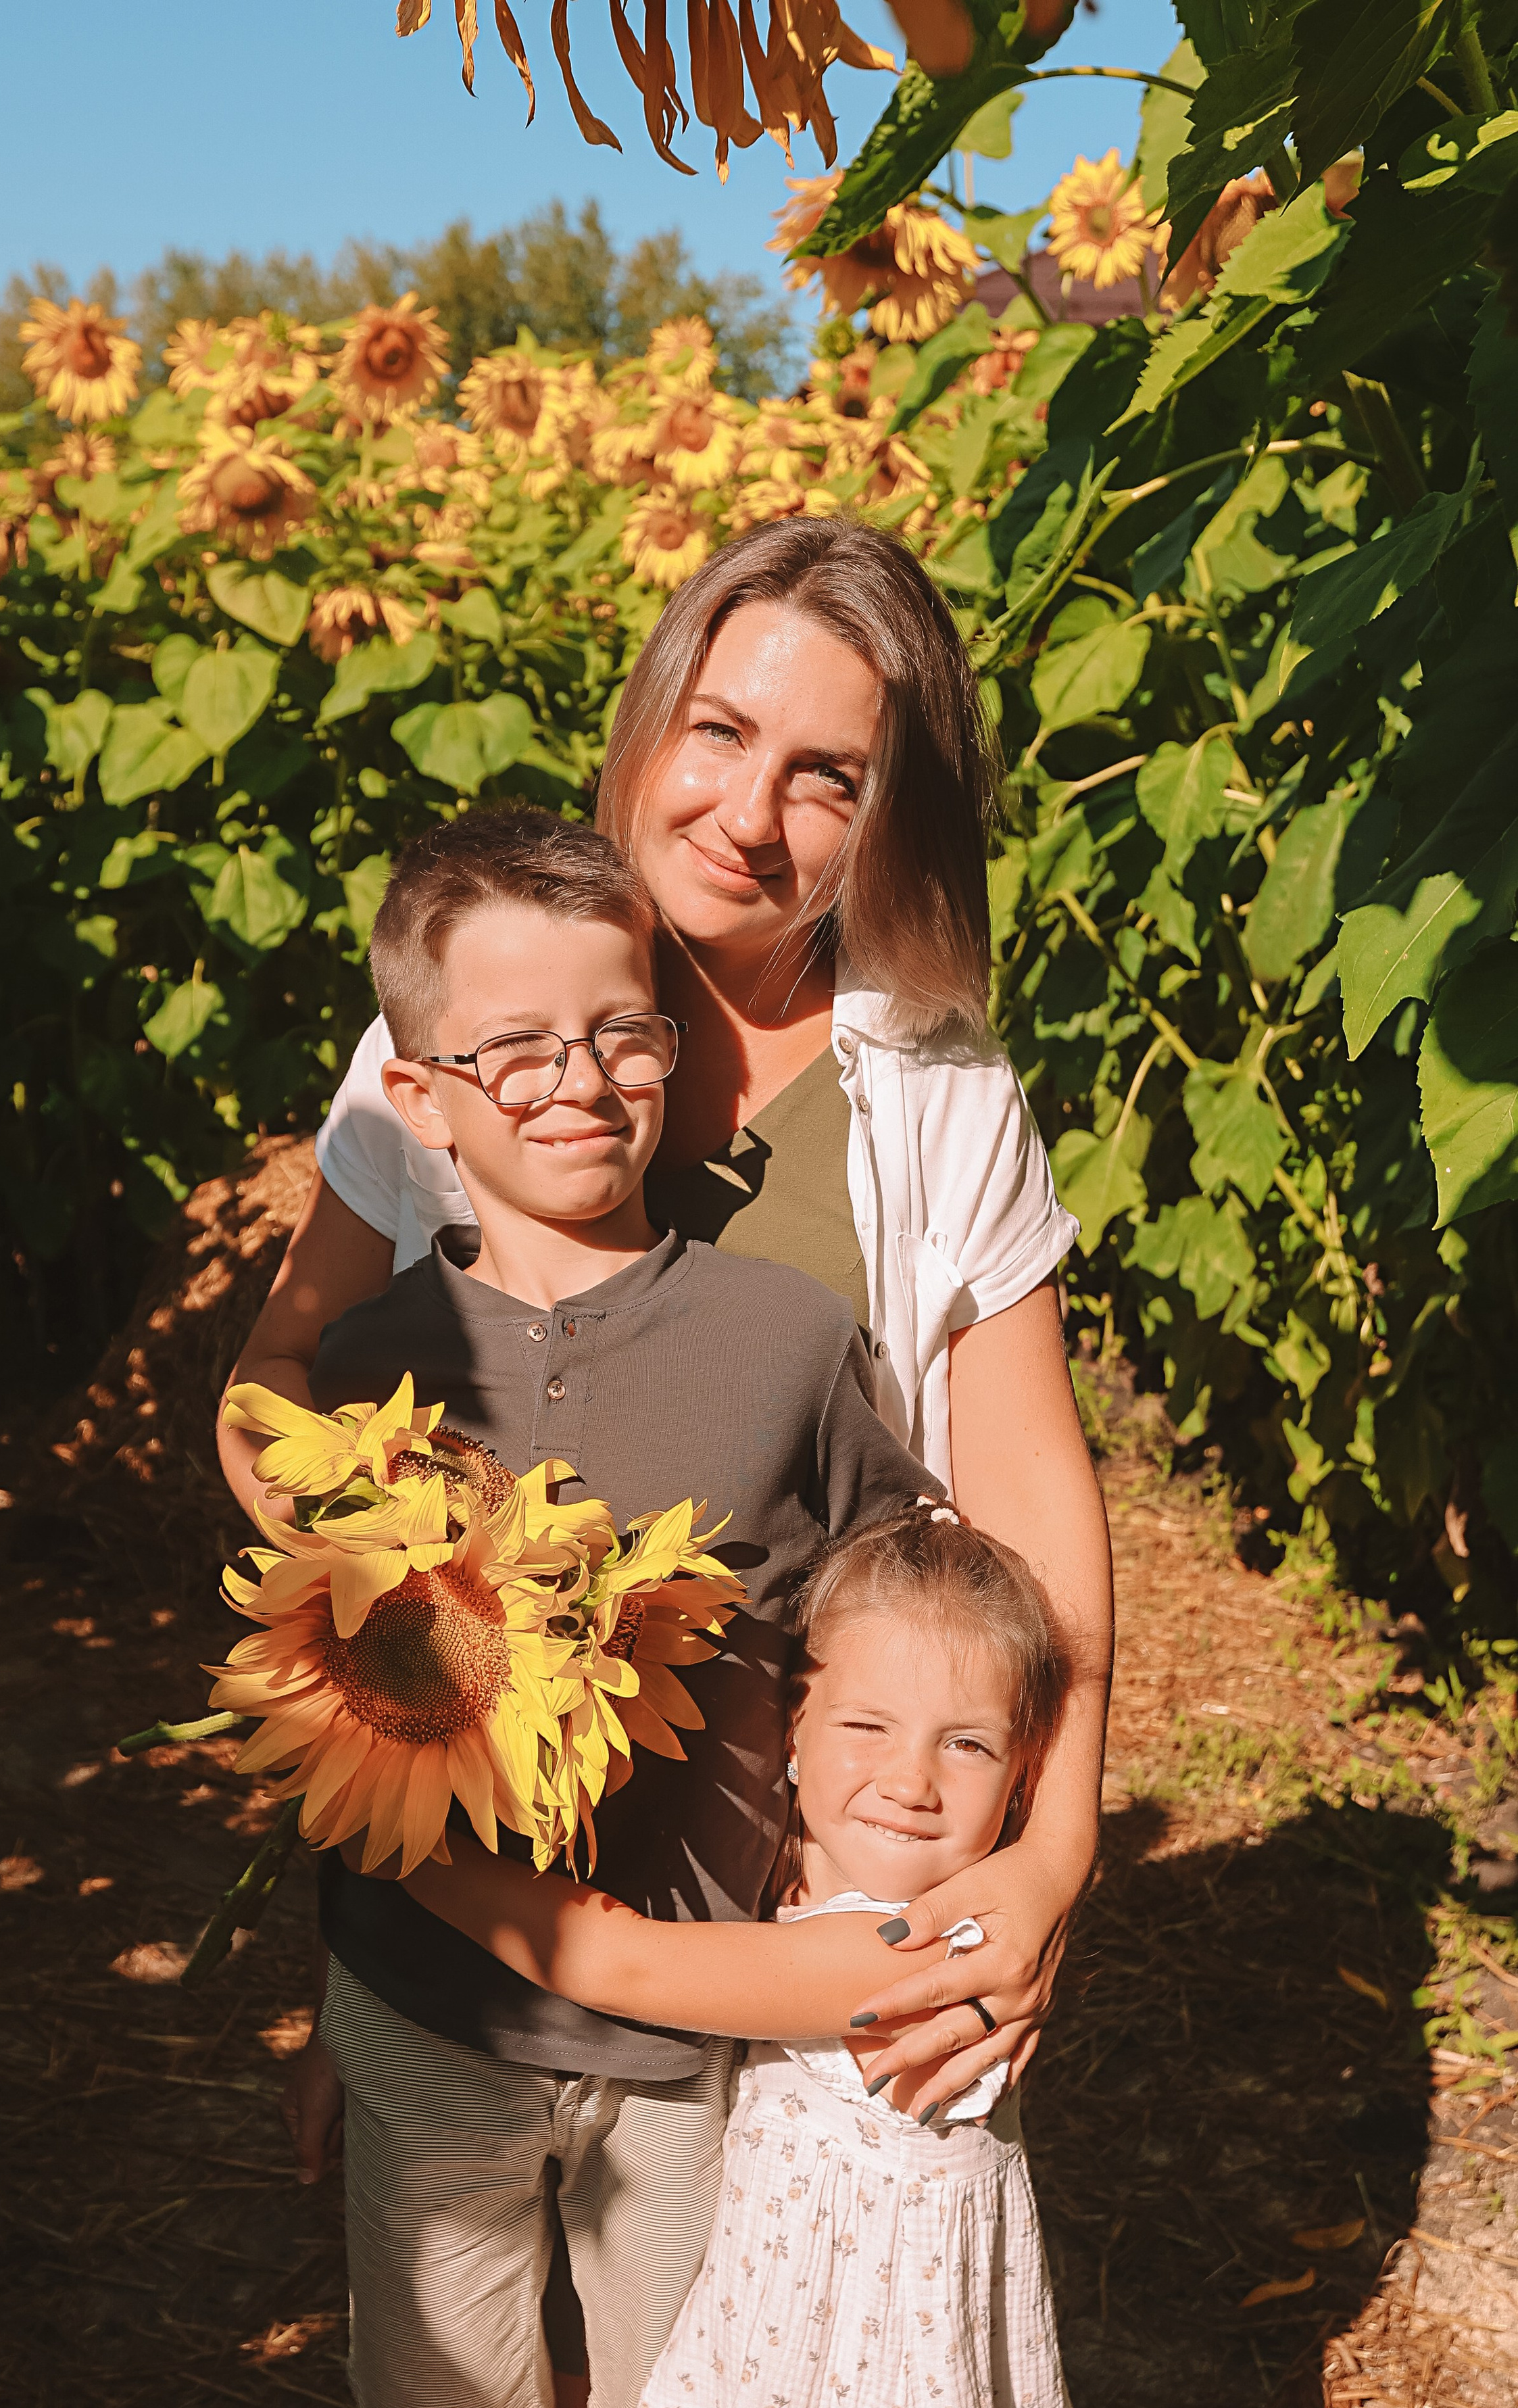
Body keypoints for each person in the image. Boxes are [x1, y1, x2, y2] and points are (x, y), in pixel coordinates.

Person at [226, 518, 1112, 2136]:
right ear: (648, 723)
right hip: (468, 1879)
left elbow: (1029, 1508)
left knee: (727, 2362)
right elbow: (283, 1374)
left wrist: (1047, 1857)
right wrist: (406, 1629)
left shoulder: (933, 1087)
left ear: (885, 816)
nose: (749, 818)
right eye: (718, 732)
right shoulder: (463, 1017)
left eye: (827, 777)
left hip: (772, 1890)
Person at [297, 806, 966, 2408]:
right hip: (432, 2021)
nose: (576, 1080)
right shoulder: (369, 1385)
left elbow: (887, 1611)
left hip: (697, 2042)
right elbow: (329, 1722)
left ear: (671, 1048)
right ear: (421, 1103)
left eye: (619, 1030)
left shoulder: (779, 1342)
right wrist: (327, 2006)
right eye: (509, 1048)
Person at [402, 1501, 1116, 2408]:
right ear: (795, 1734)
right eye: (866, 1729)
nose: (911, 1781)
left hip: (862, 2385)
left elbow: (624, 1963)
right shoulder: (813, 1880)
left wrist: (410, 1855)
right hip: (801, 2351)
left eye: (964, 1745)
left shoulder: (909, 1953)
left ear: (1023, 1778)